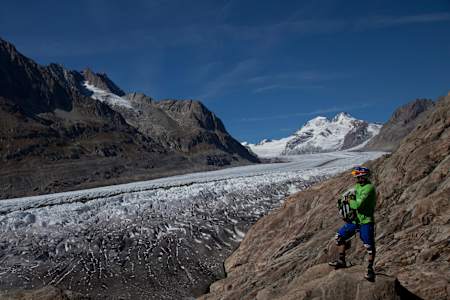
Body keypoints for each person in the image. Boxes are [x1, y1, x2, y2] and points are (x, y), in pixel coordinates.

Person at [329, 166, 377, 281]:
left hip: (366, 221)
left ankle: (370, 269)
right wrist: (345, 199)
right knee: (339, 237)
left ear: (364, 176)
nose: (358, 179)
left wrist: (350, 199)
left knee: (369, 246)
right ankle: (342, 260)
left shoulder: (369, 188)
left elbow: (357, 205)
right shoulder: (357, 186)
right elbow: (348, 196)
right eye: (357, 177)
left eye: (360, 177)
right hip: (356, 220)